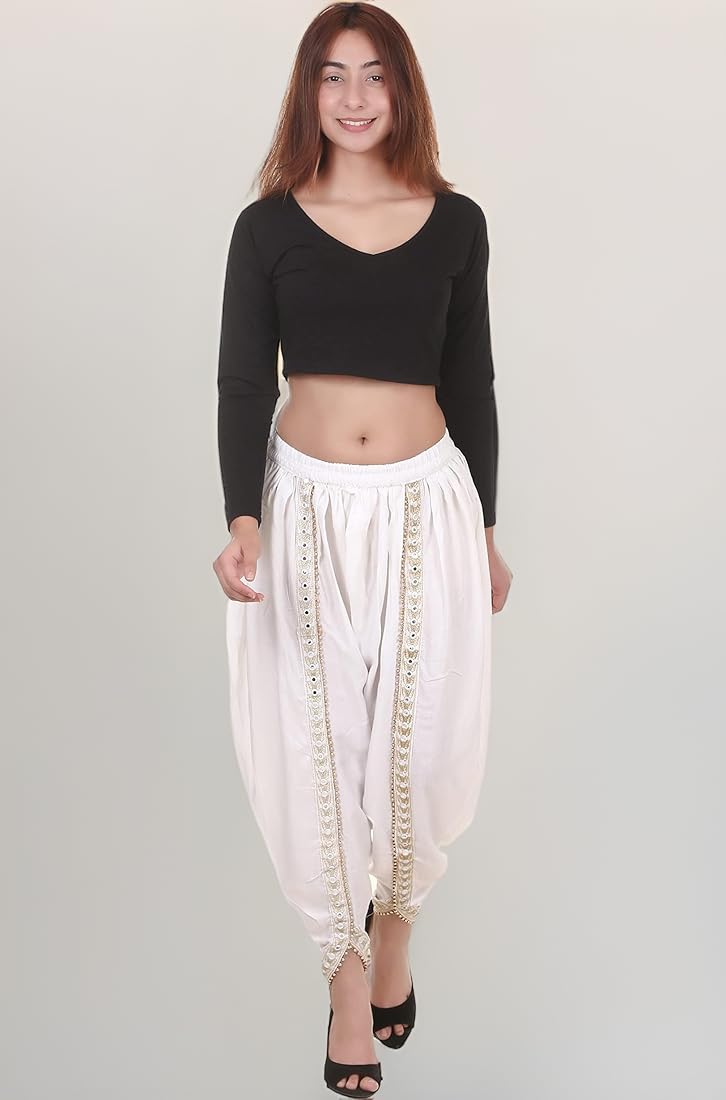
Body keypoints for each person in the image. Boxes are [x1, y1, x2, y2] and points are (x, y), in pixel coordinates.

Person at [212, 3, 513, 1094]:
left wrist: (487, 530)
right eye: (332, 75)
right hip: (302, 510)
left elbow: (472, 377)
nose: (353, 96)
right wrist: (241, 517)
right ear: (309, 91)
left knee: (428, 748)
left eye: (374, 75)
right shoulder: (267, 228)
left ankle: (398, 925)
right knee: (315, 750)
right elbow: (242, 378)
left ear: (403, 90)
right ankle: (345, 983)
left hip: (428, 507)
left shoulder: (457, 222)